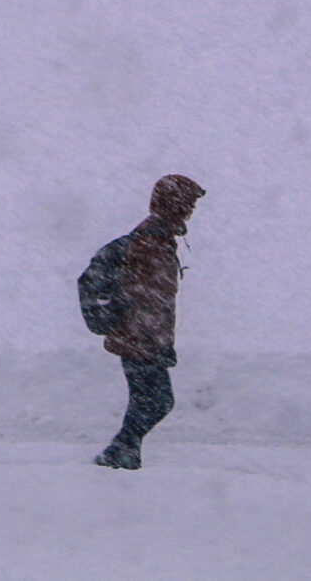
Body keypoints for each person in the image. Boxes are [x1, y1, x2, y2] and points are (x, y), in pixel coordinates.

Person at [95, 174, 204, 470]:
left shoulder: (159, 238)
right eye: (188, 204)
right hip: (140, 337)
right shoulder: (150, 242)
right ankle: (121, 449)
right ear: (173, 205)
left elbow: (154, 299)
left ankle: (124, 450)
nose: (191, 211)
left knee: (151, 400)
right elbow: (145, 297)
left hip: (144, 335)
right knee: (157, 401)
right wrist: (152, 340)